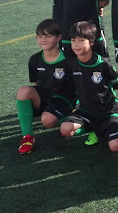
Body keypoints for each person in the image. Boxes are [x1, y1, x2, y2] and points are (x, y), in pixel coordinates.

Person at [60, 21, 118, 152]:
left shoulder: (103, 64)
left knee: (116, 147)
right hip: (86, 111)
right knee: (65, 129)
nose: (76, 44)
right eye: (73, 40)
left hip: (108, 112)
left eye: (81, 40)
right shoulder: (72, 64)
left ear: (91, 42)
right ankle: (95, 129)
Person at [16, 19, 76, 154]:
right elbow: (36, 84)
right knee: (23, 91)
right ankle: (27, 137)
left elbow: (78, 84)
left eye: (48, 36)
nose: (43, 39)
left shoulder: (68, 59)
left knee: (47, 121)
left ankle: (73, 117)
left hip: (64, 100)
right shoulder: (34, 59)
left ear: (58, 37)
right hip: (45, 97)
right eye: (39, 36)